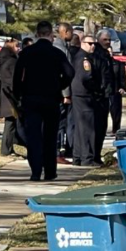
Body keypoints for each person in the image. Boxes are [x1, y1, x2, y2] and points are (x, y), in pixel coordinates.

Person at [13, 21, 75, 181]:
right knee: (50, 136)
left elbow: (17, 75)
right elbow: (70, 72)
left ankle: (35, 171)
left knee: (33, 136)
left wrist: (18, 94)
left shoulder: (27, 53)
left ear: (37, 34)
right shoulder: (56, 53)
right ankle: (49, 171)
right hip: (51, 98)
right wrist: (60, 86)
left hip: (30, 98)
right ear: (50, 35)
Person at [71, 35, 103, 166]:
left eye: (94, 44)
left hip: (78, 95)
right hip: (84, 95)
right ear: (83, 43)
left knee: (80, 128)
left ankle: (78, 157)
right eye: (90, 43)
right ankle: (87, 158)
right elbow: (86, 78)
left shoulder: (79, 56)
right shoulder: (84, 59)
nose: (93, 46)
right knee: (87, 128)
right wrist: (96, 89)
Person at [92, 29, 114, 163]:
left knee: (102, 127)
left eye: (109, 40)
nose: (108, 42)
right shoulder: (96, 54)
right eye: (105, 39)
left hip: (106, 95)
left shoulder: (106, 54)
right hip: (99, 95)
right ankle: (94, 154)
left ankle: (97, 153)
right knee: (97, 127)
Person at [53, 23, 74, 164]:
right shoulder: (60, 48)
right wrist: (66, 94)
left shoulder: (63, 47)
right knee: (59, 125)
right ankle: (57, 153)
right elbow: (63, 73)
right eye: (71, 32)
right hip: (60, 93)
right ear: (65, 32)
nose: (72, 35)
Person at [0, 39, 20, 156]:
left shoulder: (6, 59)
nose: (19, 48)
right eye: (17, 46)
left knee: (11, 123)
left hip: (8, 96)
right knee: (10, 123)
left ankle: (9, 147)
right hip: (10, 97)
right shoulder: (10, 61)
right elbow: (10, 80)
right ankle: (5, 149)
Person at [108, 48, 126, 134]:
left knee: (116, 112)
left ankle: (116, 130)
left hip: (115, 91)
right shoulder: (100, 62)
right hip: (104, 91)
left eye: (110, 51)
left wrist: (122, 87)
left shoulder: (118, 64)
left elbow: (122, 76)